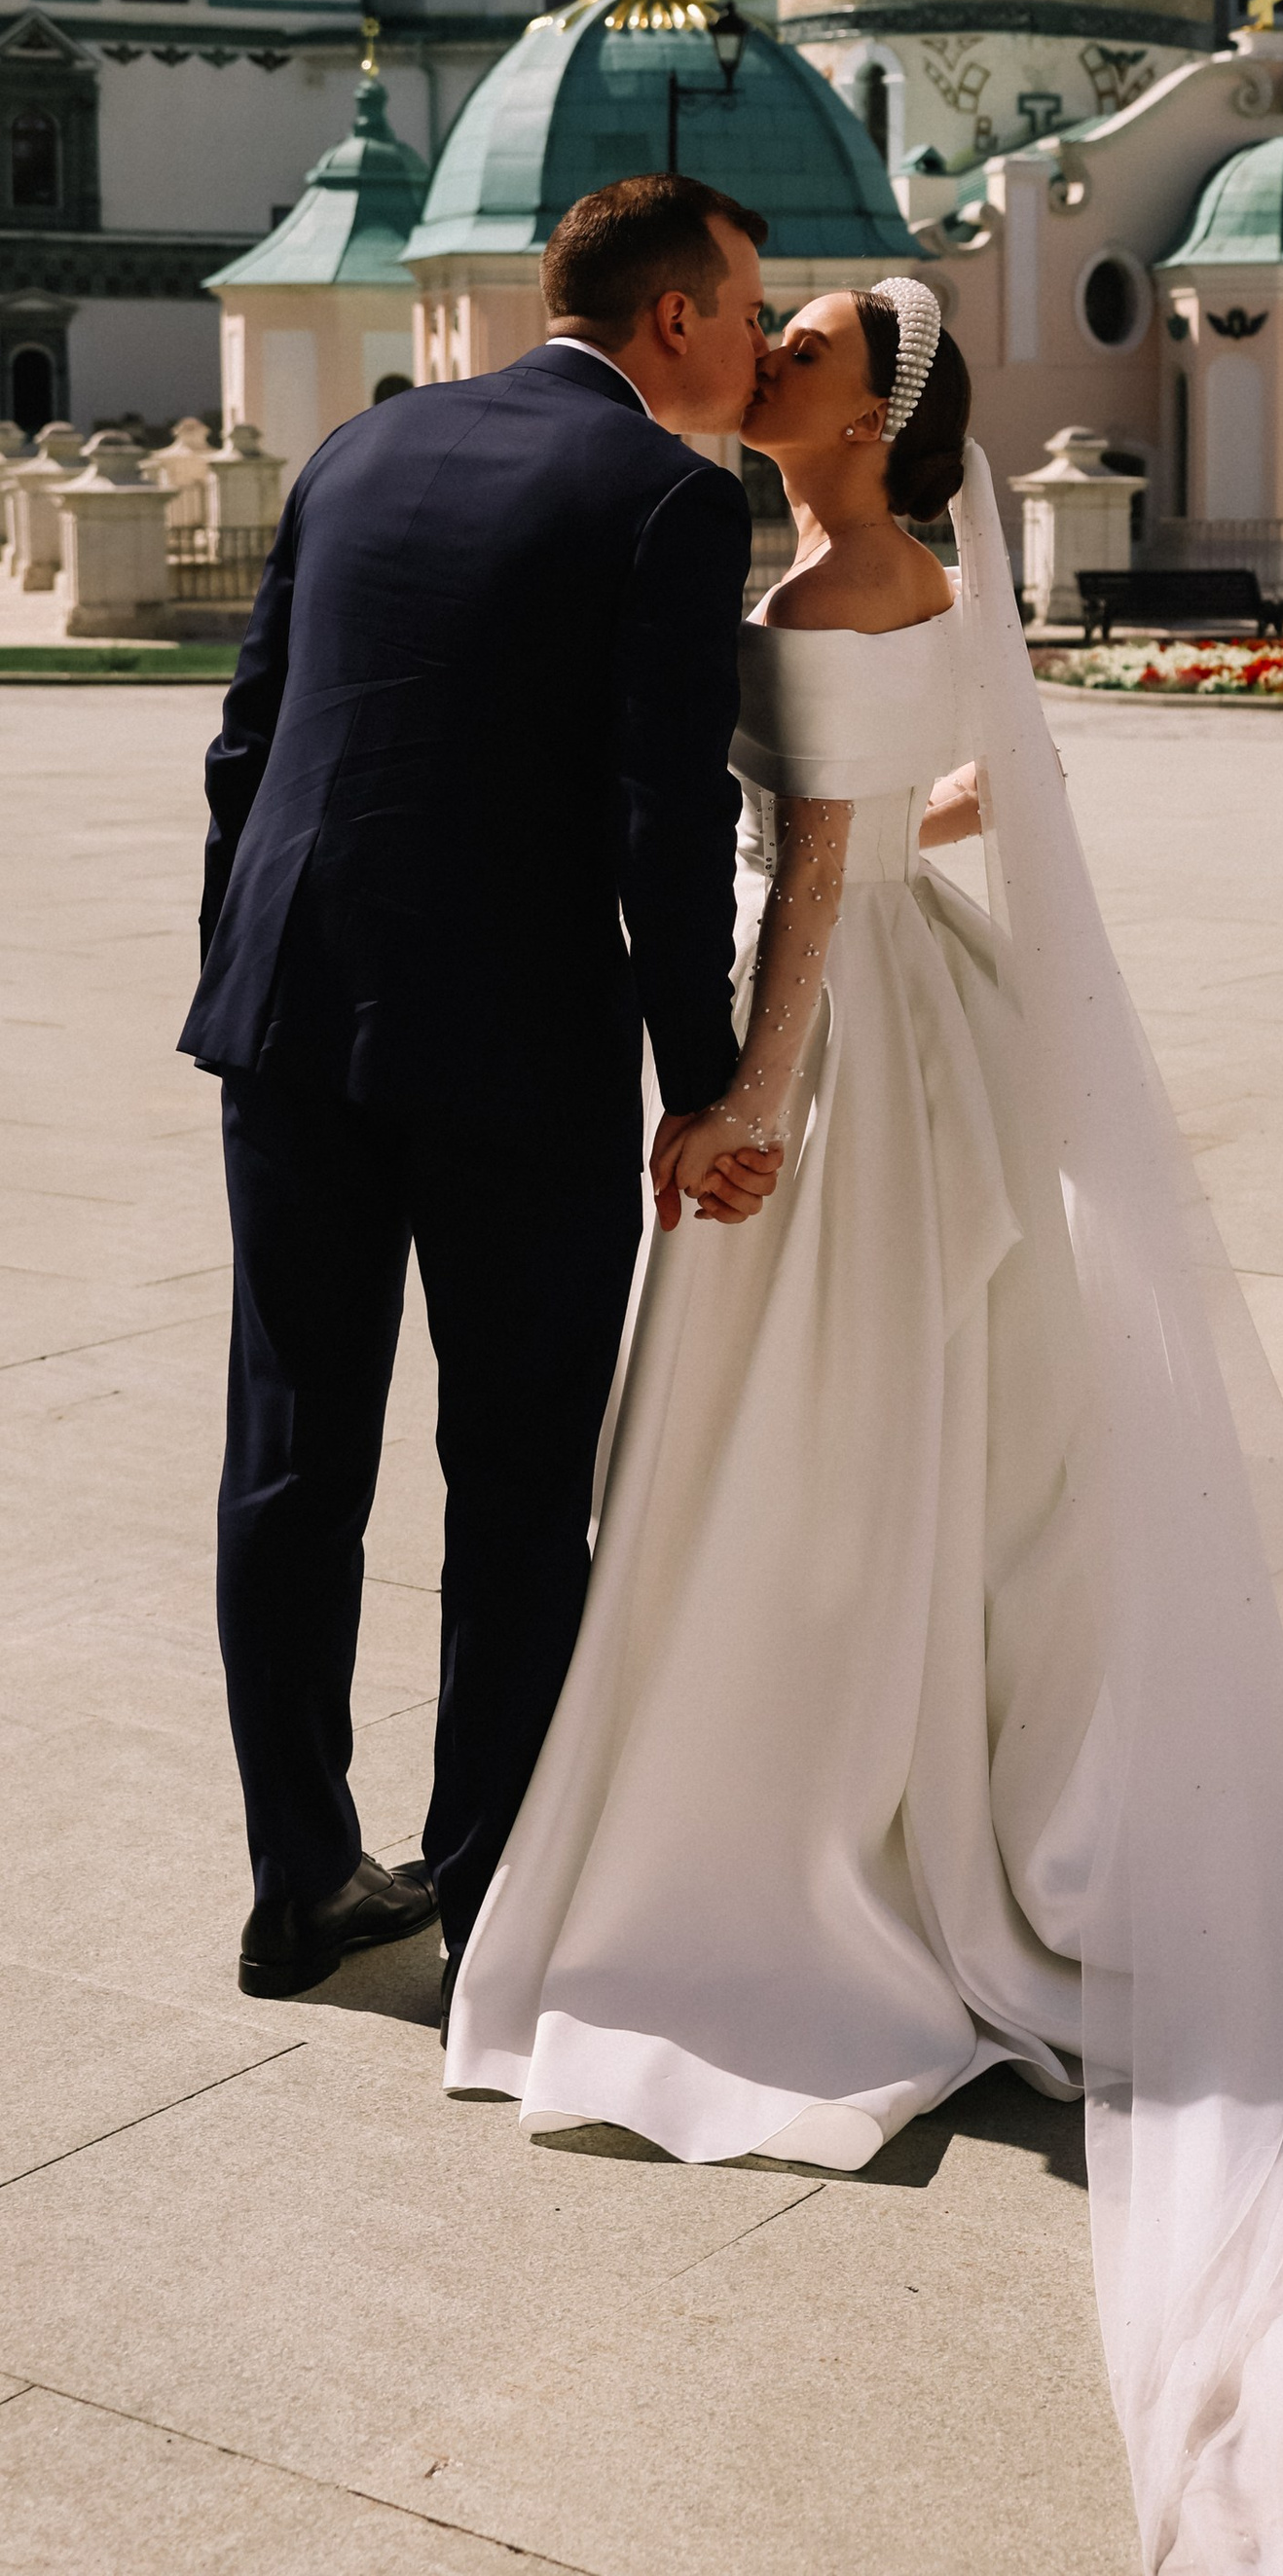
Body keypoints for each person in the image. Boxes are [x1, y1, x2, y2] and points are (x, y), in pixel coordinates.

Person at [451, 276, 1283, 2575]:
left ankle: (799, 1829)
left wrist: (743, 1106)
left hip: (846, 1043)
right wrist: (889, 820)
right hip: (913, 1005)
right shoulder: (861, 573)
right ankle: (886, 1772)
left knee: (815, 1418)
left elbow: (815, 864)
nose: (767, 363)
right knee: (891, 1419)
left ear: (874, 410)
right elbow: (937, 779)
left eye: (801, 348)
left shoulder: (834, 567)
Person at [183, 175, 786, 2010]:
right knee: (515, 1479)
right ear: (672, 316)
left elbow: (246, 739)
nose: (759, 339)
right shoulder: (673, 499)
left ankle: (298, 1889)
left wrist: (249, 964)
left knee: (290, 1463)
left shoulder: (362, 454)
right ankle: (484, 1902)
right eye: (749, 305)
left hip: (291, 1025)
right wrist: (711, 1082)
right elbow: (664, 823)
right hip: (515, 1058)